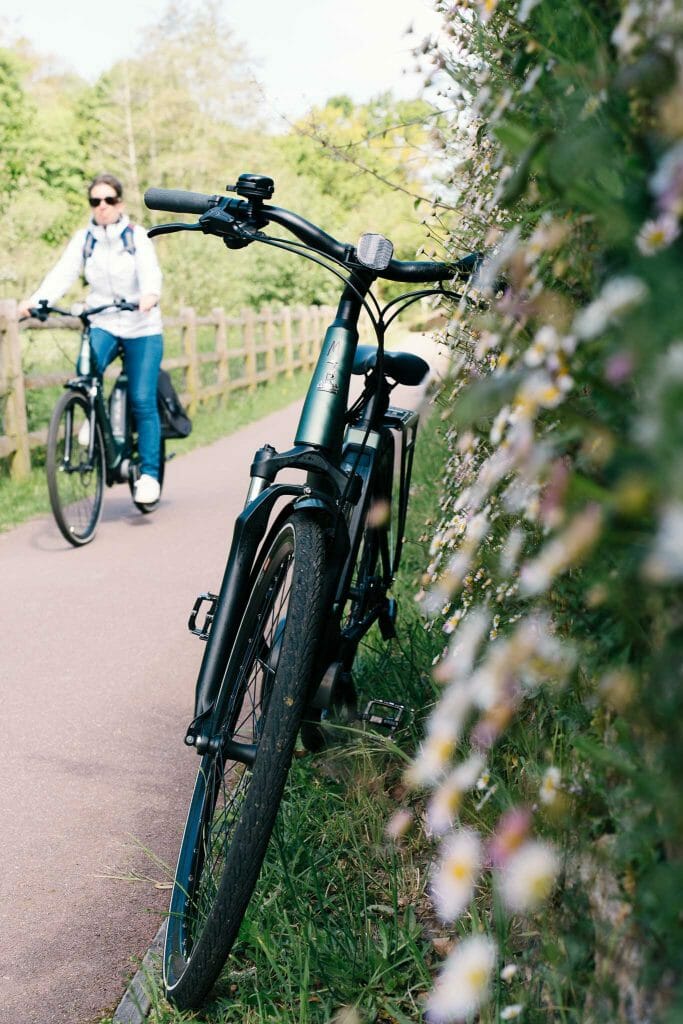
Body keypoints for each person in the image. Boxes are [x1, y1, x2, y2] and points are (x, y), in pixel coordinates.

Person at [18, 172, 164, 505]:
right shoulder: (85, 239)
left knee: (142, 399)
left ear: (120, 203)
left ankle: (150, 475)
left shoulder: (136, 237)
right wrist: (38, 301)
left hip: (141, 325)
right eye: (95, 201)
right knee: (86, 371)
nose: (102, 207)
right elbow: (63, 272)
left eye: (109, 200)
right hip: (104, 321)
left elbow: (151, 272)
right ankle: (91, 414)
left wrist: (150, 294)